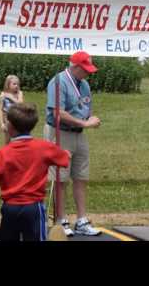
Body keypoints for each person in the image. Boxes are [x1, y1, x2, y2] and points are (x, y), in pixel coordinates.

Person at [0, 103, 70, 241]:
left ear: (9, 127)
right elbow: (65, 159)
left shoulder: (1, 155)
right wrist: (65, 153)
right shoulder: (44, 147)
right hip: (33, 209)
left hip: (10, 209)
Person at [44, 51, 102, 237]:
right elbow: (58, 113)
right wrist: (85, 122)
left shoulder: (84, 84)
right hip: (60, 133)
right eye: (85, 69)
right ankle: (61, 219)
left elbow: (84, 108)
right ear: (75, 66)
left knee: (81, 176)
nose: (88, 73)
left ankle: (82, 220)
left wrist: (90, 118)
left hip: (79, 134)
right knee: (60, 178)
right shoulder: (58, 82)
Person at [0, 75, 24, 145]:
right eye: (14, 84)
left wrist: (10, 97)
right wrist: (1, 123)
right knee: (7, 140)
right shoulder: (3, 95)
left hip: (18, 120)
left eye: (18, 84)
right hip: (7, 121)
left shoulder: (19, 93)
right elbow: (0, 109)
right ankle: (6, 153)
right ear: (8, 85)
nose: (16, 86)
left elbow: (20, 103)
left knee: (18, 139)